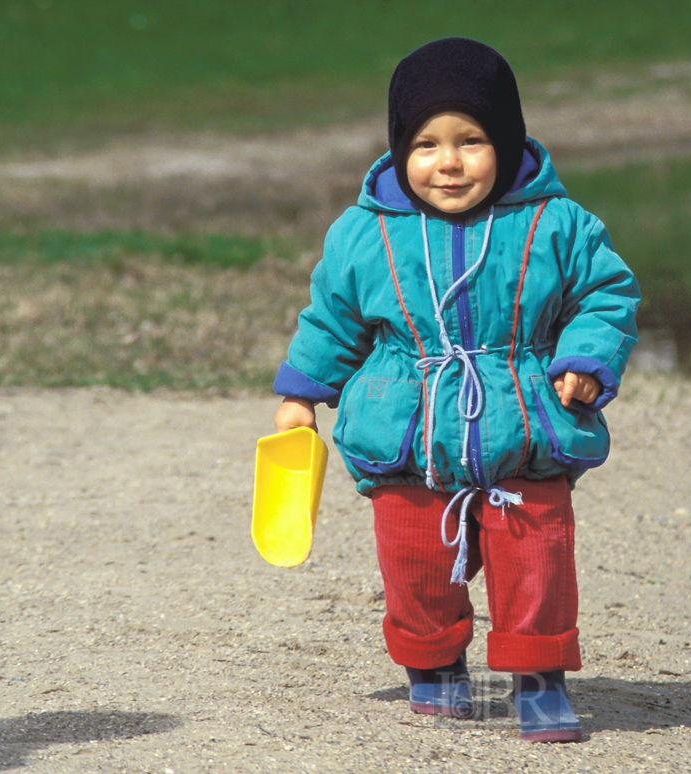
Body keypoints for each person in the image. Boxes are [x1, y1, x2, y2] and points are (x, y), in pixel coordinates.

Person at [273, 37, 639, 743]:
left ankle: (538, 678)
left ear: (504, 139)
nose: (447, 162)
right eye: (425, 144)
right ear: (399, 150)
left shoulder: (555, 223)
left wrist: (587, 358)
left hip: (523, 426)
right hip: (404, 428)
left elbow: (605, 294)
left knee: (537, 557)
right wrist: (300, 395)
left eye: (470, 140)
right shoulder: (364, 233)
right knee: (414, 562)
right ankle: (433, 665)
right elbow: (333, 320)